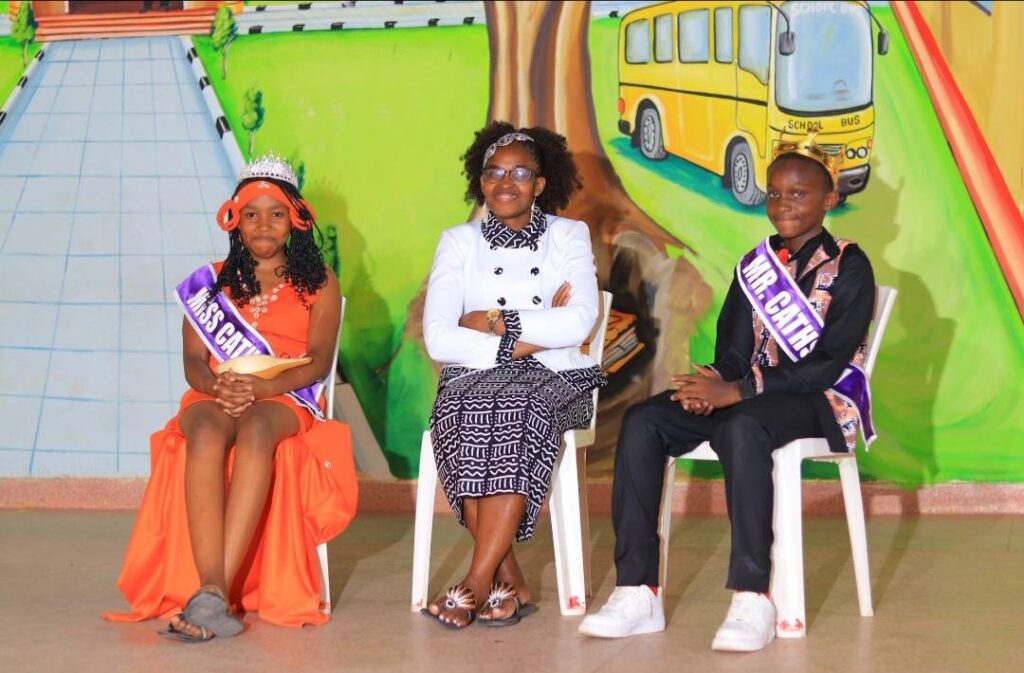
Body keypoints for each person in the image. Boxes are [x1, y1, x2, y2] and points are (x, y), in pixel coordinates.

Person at [579, 132, 876, 652]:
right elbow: (735, 353)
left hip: (820, 402)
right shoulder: (755, 266)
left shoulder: (851, 265)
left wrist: (735, 391)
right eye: (775, 193)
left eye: (798, 194)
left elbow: (827, 364)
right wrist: (711, 384)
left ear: (829, 199)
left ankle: (753, 596)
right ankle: (637, 590)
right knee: (646, 420)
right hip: (751, 397)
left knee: (742, 424)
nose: (783, 204)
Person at [105, 154, 358, 641]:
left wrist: (263, 388)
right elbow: (193, 362)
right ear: (234, 220)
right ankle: (213, 590)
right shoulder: (210, 282)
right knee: (202, 430)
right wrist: (216, 387)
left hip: (286, 396)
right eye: (251, 214)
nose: (264, 224)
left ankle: (210, 594)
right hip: (217, 392)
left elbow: (318, 363)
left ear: (296, 220)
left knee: (258, 430)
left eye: (276, 213)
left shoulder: (319, 282)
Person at [421, 121, 605, 629]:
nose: (506, 182)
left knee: (516, 406)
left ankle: (476, 580)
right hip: (472, 376)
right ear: (481, 182)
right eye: (494, 172)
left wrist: (488, 320)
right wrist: (531, 332)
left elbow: (579, 320)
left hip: (556, 377)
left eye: (520, 173)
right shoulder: (457, 241)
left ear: (540, 184)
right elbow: (438, 336)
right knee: (465, 409)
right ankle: (509, 581)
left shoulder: (568, 235)